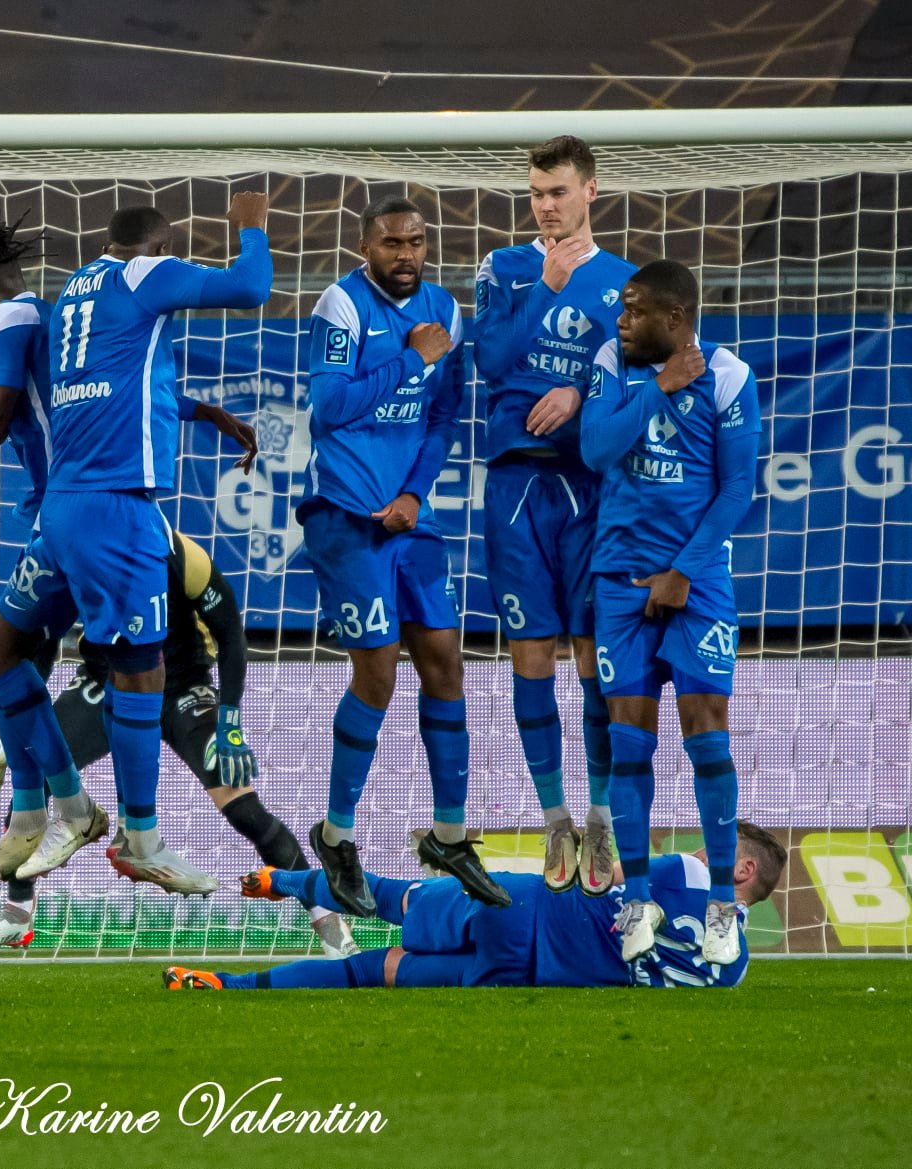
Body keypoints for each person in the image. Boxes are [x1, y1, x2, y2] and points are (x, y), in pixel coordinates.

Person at [0, 214, 259, 894]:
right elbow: (110, 389)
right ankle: (55, 814)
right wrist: (199, 410)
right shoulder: (60, 317)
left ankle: (96, 827)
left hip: (71, 512)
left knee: (106, 666)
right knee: (4, 655)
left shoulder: (7, 319)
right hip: (71, 510)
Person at [0, 194, 272, 895]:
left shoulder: (74, 292)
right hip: (119, 509)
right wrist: (249, 223)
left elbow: (110, 385)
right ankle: (135, 837)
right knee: (141, 673)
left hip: (63, 506)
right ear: (158, 245)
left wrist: (200, 408)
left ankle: (49, 807)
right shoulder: (147, 274)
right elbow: (251, 286)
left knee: (0, 650)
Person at [0, 532, 356, 958]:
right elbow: (34, 638)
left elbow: (230, 635)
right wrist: (16, 729)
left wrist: (230, 720)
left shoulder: (184, 557)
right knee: (36, 769)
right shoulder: (76, 546)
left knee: (243, 807)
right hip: (105, 679)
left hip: (183, 688)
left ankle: (328, 919)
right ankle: (17, 916)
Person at [298, 196, 505, 918]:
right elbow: (329, 408)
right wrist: (409, 359)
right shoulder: (341, 306)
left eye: (416, 241)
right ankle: (336, 833)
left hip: (409, 516)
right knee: (378, 674)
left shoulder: (448, 309)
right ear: (365, 245)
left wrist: (417, 491)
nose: (406, 253)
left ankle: (449, 834)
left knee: (446, 660)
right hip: (348, 514)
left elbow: (444, 414)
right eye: (392, 242)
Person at [578, 260, 762, 966]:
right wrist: (659, 388)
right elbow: (596, 449)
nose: (619, 321)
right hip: (621, 584)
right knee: (629, 743)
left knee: (706, 731)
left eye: (633, 311)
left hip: (697, 582)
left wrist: (684, 570)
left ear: (675, 320)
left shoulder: (729, 376)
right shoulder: (612, 363)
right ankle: (638, 902)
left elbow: (737, 488)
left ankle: (721, 903)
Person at [471, 136, 637, 893]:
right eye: (537, 193)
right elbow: (492, 362)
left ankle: (601, 816)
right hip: (514, 493)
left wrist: (581, 394)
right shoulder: (504, 269)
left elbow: (637, 392)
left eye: (559, 192)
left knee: (592, 655)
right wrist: (543, 285)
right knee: (531, 657)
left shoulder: (626, 285)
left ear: (591, 191)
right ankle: (556, 819)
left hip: (587, 488)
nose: (546, 205)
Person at [163, 821, 785, 992]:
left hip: (519, 909)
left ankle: (284, 882)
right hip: (523, 974)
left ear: (743, 867)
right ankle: (229, 985)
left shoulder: (694, 871)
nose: (700, 845)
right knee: (373, 971)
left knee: (390, 899)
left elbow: (605, 876)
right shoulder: (732, 970)